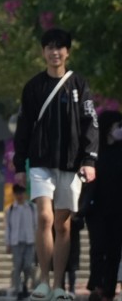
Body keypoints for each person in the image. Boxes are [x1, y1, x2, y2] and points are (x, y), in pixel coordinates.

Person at [12, 28, 98, 301]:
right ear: (43, 52)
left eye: (60, 47)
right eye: (49, 47)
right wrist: (18, 166)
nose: (54, 52)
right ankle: (43, 282)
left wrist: (89, 159)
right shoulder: (33, 87)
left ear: (67, 52)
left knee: (63, 225)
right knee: (45, 217)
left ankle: (59, 285)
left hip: (71, 164)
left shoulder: (79, 85)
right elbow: (23, 128)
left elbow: (90, 124)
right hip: (40, 163)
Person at [84, 110, 122, 301]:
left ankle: (109, 289)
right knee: (98, 248)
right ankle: (97, 285)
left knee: (115, 250)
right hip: (97, 209)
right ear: (108, 128)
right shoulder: (95, 151)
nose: (120, 130)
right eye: (118, 126)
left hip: (118, 210)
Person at [7, 184, 38, 300]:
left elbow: (36, 225)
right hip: (16, 242)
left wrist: (37, 240)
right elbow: (8, 228)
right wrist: (7, 243)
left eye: (21, 193)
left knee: (28, 266)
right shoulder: (10, 209)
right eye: (17, 193)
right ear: (14, 195)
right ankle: (19, 289)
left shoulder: (31, 208)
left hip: (29, 241)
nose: (20, 196)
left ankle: (25, 284)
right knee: (17, 266)